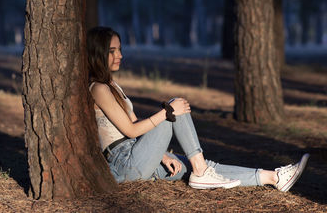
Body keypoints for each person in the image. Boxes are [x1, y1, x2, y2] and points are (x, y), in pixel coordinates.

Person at [87, 26, 309, 191]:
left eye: (120, 50)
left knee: (201, 165)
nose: (120, 55)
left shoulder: (112, 86)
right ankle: (201, 172)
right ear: (98, 53)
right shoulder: (97, 88)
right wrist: (167, 112)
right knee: (176, 107)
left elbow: (136, 125)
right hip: (125, 162)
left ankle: (274, 178)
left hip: (139, 157)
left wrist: (163, 156)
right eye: (112, 51)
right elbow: (131, 131)